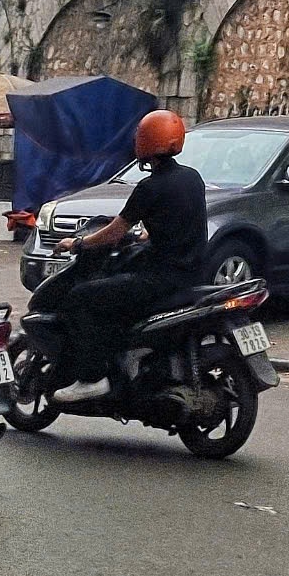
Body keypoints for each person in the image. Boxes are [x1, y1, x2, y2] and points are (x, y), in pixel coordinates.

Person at [46, 109, 208, 404]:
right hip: (192, 276)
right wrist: (146, 236)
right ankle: (132, 352)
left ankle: (92, 377)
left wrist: (78, 244)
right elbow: (176, 221)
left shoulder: (150, 187)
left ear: (144, 142)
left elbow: (114, 232)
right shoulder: (192, 178)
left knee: (81, 298)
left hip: (160, 279)